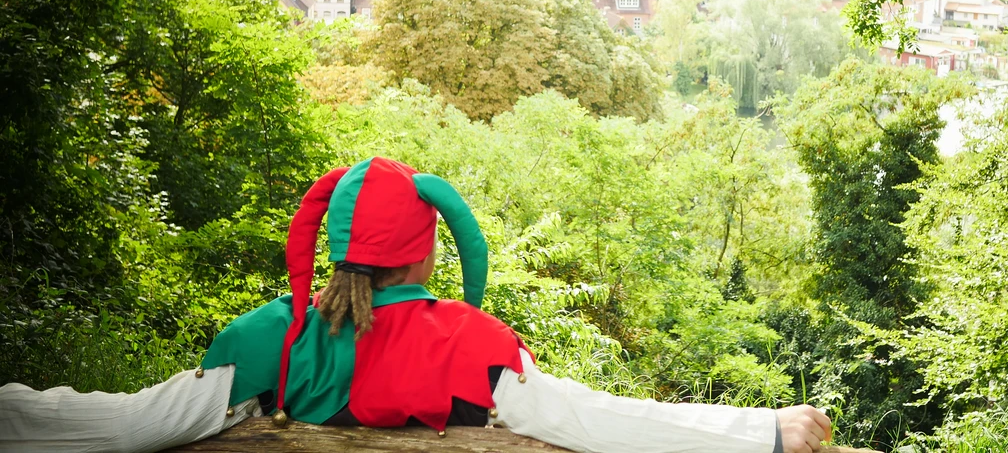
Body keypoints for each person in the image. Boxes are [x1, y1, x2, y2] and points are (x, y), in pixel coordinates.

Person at [0, 157, 832, 453]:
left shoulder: (272, 340)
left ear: (336, 248)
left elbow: (130, 425)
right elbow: (592, 421)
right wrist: (759, 431)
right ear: (429, 247)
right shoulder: (466, 344)